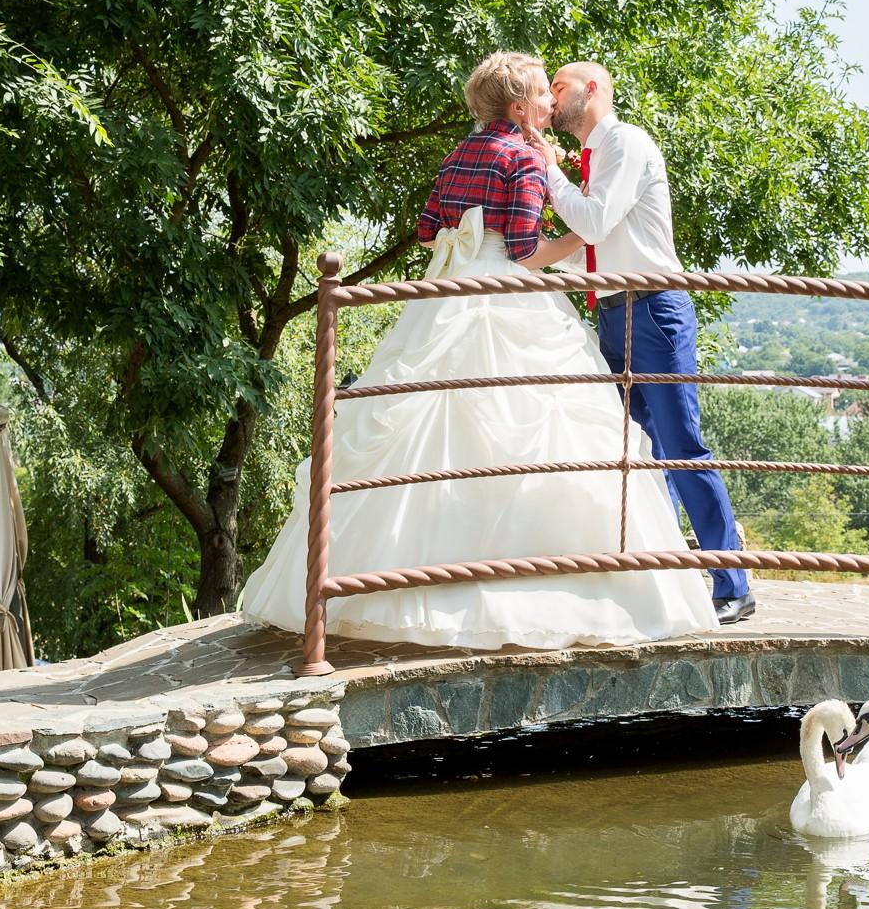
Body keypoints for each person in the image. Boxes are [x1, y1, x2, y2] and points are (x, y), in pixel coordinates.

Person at [240, 51, 716, 649]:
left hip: (448, 292)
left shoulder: (456, 155)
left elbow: (428, 229)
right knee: (546, 432)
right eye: (542, 93)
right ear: (518, 107)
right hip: (507, 294)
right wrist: (576, 241)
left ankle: (373, 585)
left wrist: (468, 242)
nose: (550, 103)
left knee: (420, 420)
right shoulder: (524, 157)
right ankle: (573, 580)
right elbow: (523, 251)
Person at [530, 61, 755, 625]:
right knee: (631, 452)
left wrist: (549, 171)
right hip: (613, 314)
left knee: (681, 447)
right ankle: (663, 580)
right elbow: (594, 241)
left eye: (560, 86)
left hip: (653, 310)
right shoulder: (597, 158)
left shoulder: (625, 143)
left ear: (593, 90)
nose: (552, 97)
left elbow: (595, 223)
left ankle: (733, 584)